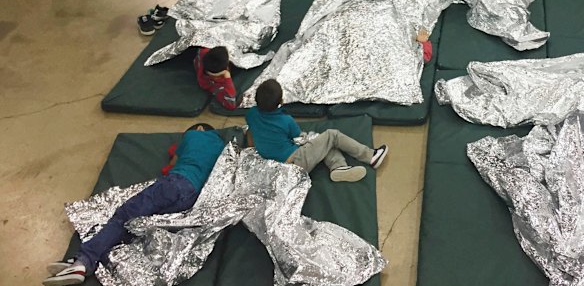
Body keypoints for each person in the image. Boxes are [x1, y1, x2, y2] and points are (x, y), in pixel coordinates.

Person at [42, 123, 236, 286]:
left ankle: (82, 261)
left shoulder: (194, 135)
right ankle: (91, 259)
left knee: (122, 217)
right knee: (137, 225)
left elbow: (171, 163)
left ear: (199, 128)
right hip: (192, 199)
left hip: (175, 183)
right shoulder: (220, 146)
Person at [246, 79, 389, 183]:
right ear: (281, 102)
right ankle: (371, 156)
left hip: (274, 164)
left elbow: (251, 134)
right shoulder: (286, 120)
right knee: (332, 136)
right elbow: (298, 137)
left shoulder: (251, 114)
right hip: (295, 162)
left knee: (323, 144)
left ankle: (338, 167)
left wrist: (253, 149)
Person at [195, 46, 239, 111]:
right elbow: (231, 105)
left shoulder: (202, 53)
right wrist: (227, 76)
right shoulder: (217, 85)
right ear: (226, 67)